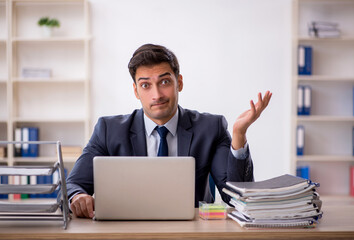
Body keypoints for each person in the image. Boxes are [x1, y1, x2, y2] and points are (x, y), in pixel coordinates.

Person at [66, 44, 272, 218]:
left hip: (192, 234)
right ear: (136, 91)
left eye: (164, 82)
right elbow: (72, 184)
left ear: (179, 83)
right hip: (128, 233)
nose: (156, 94)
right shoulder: (108, 130)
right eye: (146, 85)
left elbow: (235, 199)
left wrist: (239, 135)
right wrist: (78, 197)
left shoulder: (211, 127)